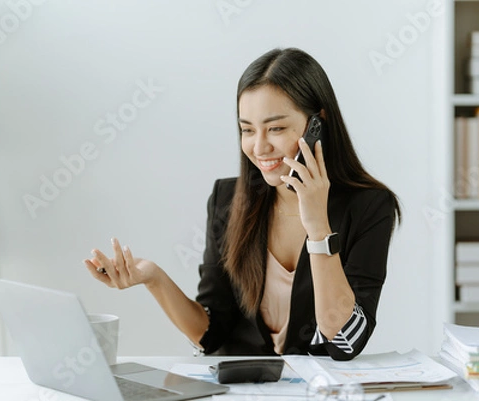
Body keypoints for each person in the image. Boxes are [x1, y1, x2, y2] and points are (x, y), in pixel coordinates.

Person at [84, 47, 401, 361]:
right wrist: (153, 278)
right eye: (247, 130)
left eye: (276, 128)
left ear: (317, 124)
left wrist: (318, 228)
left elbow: (344, 341)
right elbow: (210, 333)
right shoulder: (228, 200)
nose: (259, 146)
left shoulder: (370, 207)